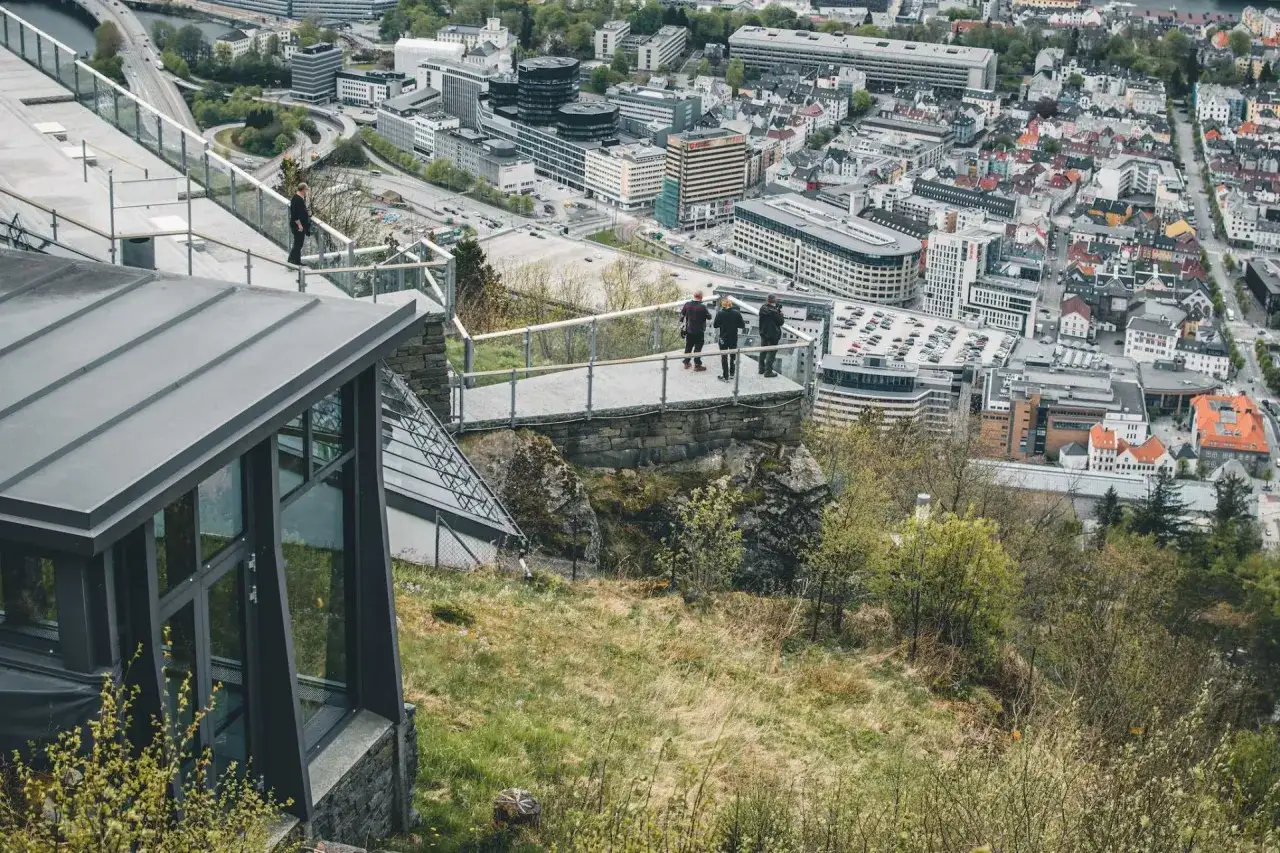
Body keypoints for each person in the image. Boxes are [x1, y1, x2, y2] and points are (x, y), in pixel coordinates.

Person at [713, 295, 745, 382]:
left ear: (723, 305)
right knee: (733, 356)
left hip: (723, 338)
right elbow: (742, 325)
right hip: (733, 337)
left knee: (724, 357)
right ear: (731, 305)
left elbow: (715, 325)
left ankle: (725, 376)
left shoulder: (720, 313)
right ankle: (732, 374)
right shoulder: (737, 313)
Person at [680, 290, 712, 371]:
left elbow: (681, 317)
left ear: (694, 296)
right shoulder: (703, 307)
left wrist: (683, 325)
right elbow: (709, 317)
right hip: (699, 331)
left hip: (689, 330)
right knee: (698, 348)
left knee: (688, 347)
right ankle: (697, 365)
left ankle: (686, 363)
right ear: (701, 297)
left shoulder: (687, 304)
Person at [757, 293, 785, 377]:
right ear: (774, 301)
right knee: (771, 353)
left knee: (763, 351)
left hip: (763, 333)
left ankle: (761, 369)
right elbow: (781, 322)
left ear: (767, 300)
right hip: (773, 335)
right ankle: (768, 371)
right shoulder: (774, 312)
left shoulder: (762, 308)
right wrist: (781, 314)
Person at [288, 183, 312, 267]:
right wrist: (300, 225)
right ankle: (291, 260)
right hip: (298, 226)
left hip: (298, 225)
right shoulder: (298, 199)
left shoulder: (297, 198)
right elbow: (295, 214)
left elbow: (300, 211)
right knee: (298, 244)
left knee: (298, 243)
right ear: (303, 189)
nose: (307, 192)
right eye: (306, 190)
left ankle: (296, 261)